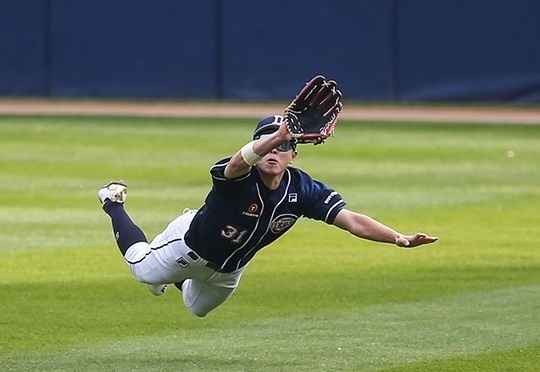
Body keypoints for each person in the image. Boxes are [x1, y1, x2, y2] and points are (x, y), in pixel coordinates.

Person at [98, 114, 438, 317]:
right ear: (256, 148)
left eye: (282, 147)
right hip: (187, 247)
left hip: (230, 269)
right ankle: (113, 201)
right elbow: (236, 164)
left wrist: (398, 238)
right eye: (266, 145)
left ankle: (173, 281)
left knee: (196, 309)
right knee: (140, 268)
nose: (274, 151)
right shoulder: (238, 177)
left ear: (294, 155)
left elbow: (351, 220)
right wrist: (277, 134)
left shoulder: (303, 190)